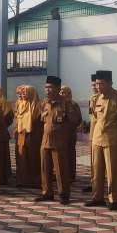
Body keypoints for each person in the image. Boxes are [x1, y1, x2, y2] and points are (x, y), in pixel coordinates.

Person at [85, 70, 117, 210]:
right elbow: (96, 119)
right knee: (96, 171)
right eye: (97, 84)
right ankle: (97, 197)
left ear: (110, 83)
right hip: (97, 139)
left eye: (101, 84)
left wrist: (115, 132)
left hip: (112, 139)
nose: (98, 87)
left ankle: (114, 199)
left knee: (113, 171)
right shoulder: (95, 98)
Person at [36, 76, 81, 205]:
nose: (47, 90)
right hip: (45, 141)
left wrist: (67, 114)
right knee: (45, 168)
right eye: (46, 87)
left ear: (58, 88)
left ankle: (63, 194)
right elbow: (41, 119)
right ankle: (47, 192)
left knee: (61, 169)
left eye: (50, 87)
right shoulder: (44, 103)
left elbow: (76, 121)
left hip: (60, 141)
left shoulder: (67, 103)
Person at [14, 85, 42, 189]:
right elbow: (17, 120)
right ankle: (22, 180)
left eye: (25, 92)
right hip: (22, 135)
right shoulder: (20, 104)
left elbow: (40, 123)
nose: (23, 94)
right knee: (22, 158)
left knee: (33, 158)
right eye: (22, 92)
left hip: (34, 136)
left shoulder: (37, 106)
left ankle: (34, 180)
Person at [59, 85, 82, 182]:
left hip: (70, 133)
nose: (62, 94)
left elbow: (78, 119)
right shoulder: (57, 104)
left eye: (64, 92)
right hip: (59, 134)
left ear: (69, 93)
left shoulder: (73, 105)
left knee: (70, 154)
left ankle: (71, 175)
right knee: (59, 154)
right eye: (61, 92)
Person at [84, 74, 99, 192]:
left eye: (96, 85)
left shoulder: (103, 98)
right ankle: (94, 182)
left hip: (100, 133)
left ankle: (99, 182)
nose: (94, 87)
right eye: (92, 85)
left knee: (99, 161)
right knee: (93, 160)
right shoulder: (92, 98)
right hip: (92, 133)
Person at [0, 88, 15, 185]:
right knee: (2, 156)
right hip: (3, 134)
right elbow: (10, 119)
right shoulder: (4, 103)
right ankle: (3, 177)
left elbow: (9, 118)